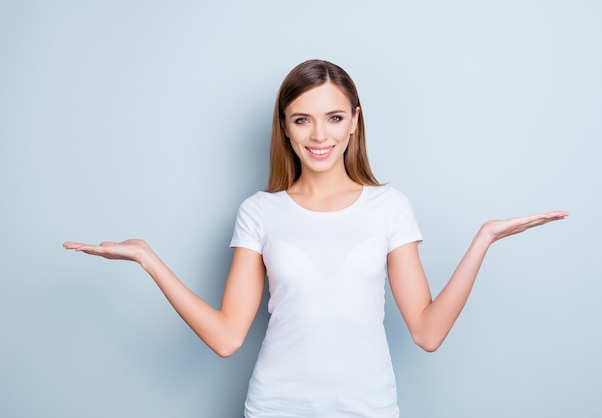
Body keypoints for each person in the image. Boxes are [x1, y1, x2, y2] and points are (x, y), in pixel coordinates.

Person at [64, 59, 567, 417]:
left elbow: (427, 333)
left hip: (368, 410)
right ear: (284, 128)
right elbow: (226, 337)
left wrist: (482, 241)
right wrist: (150, 259)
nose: (319, 135)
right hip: (276, 407)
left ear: (354, 122)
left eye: (334, 117)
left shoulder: (389, 206)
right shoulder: (259, 212)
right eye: (302, 119)